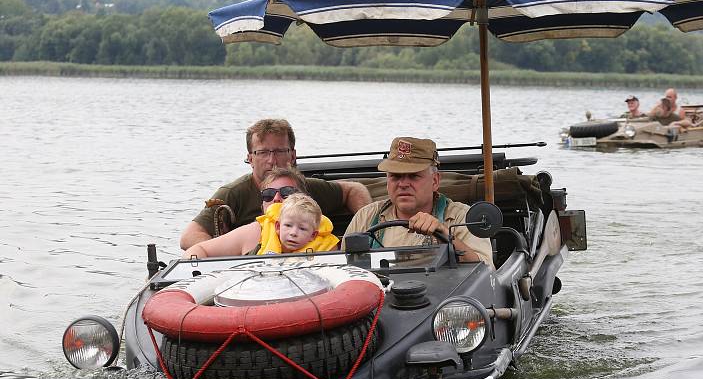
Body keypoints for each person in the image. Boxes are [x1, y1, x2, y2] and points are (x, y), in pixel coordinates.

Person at [179, 118, 370, 250]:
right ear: (250, 158)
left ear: (293, 156)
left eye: (279, 151)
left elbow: (354, 189)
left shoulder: (306, 187)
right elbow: (189, 237)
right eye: (262, 152)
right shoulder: (233, 193)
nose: (272, 160)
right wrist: (225, 250)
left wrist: (366, 234)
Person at [344, 137, 493, 266]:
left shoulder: (462, 217)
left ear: (435, 181)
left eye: (413, 176)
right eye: (395, 176)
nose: (403, 184)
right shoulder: (366, 217)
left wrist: (443, 234)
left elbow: (485, 272)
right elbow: (342, 269)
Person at [182, 168, 337, 259]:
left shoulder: (326, 243)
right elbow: (197, 251)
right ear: (263, 205)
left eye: (287, 192)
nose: (276, 198)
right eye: (268, 194)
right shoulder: (252, 232)